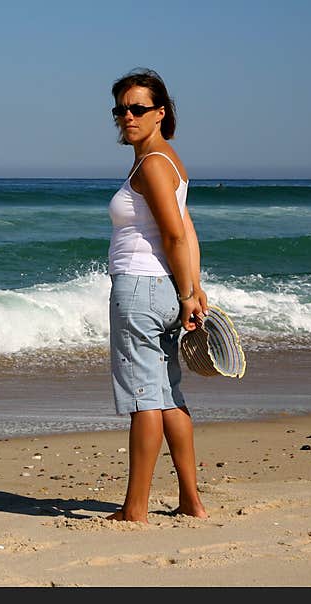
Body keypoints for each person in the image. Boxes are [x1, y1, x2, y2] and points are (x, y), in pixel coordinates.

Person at [104, 68, 208, 522]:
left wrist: (190, 293)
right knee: (168, 396)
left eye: (137, 108)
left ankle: (135, 509)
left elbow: (174, 233)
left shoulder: (151, 165)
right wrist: (192, 288)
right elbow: (188, 229)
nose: (127, 116)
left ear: (160, 113)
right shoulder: (168, 160)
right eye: (121, 109)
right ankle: (190, 501)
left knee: (144, 399)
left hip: (142, 289)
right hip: (162, 289)